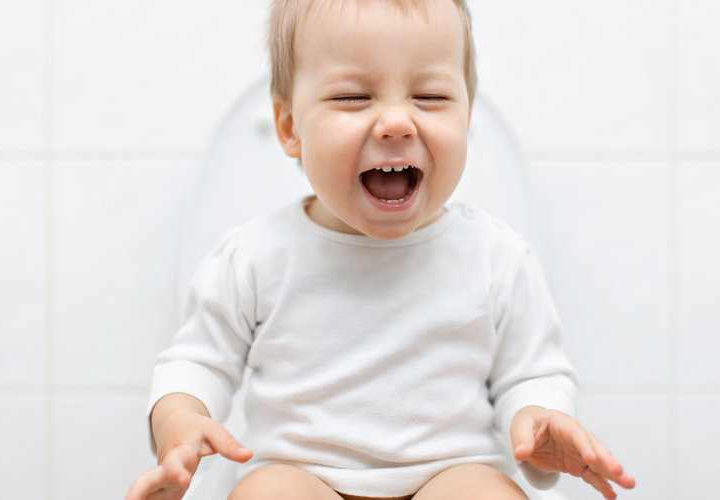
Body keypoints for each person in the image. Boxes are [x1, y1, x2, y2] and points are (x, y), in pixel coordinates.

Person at [127, 1, 636, 499]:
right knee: (267, 493)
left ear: (466, 115)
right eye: (352, 97)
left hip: (450, 473)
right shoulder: (256, 258)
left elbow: (532, 371)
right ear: (288, 127)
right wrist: (182, 421)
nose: (397, 122)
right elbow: (196, 364)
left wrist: (537, 418)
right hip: (302, 474)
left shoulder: (495, 257)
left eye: (431, 97)